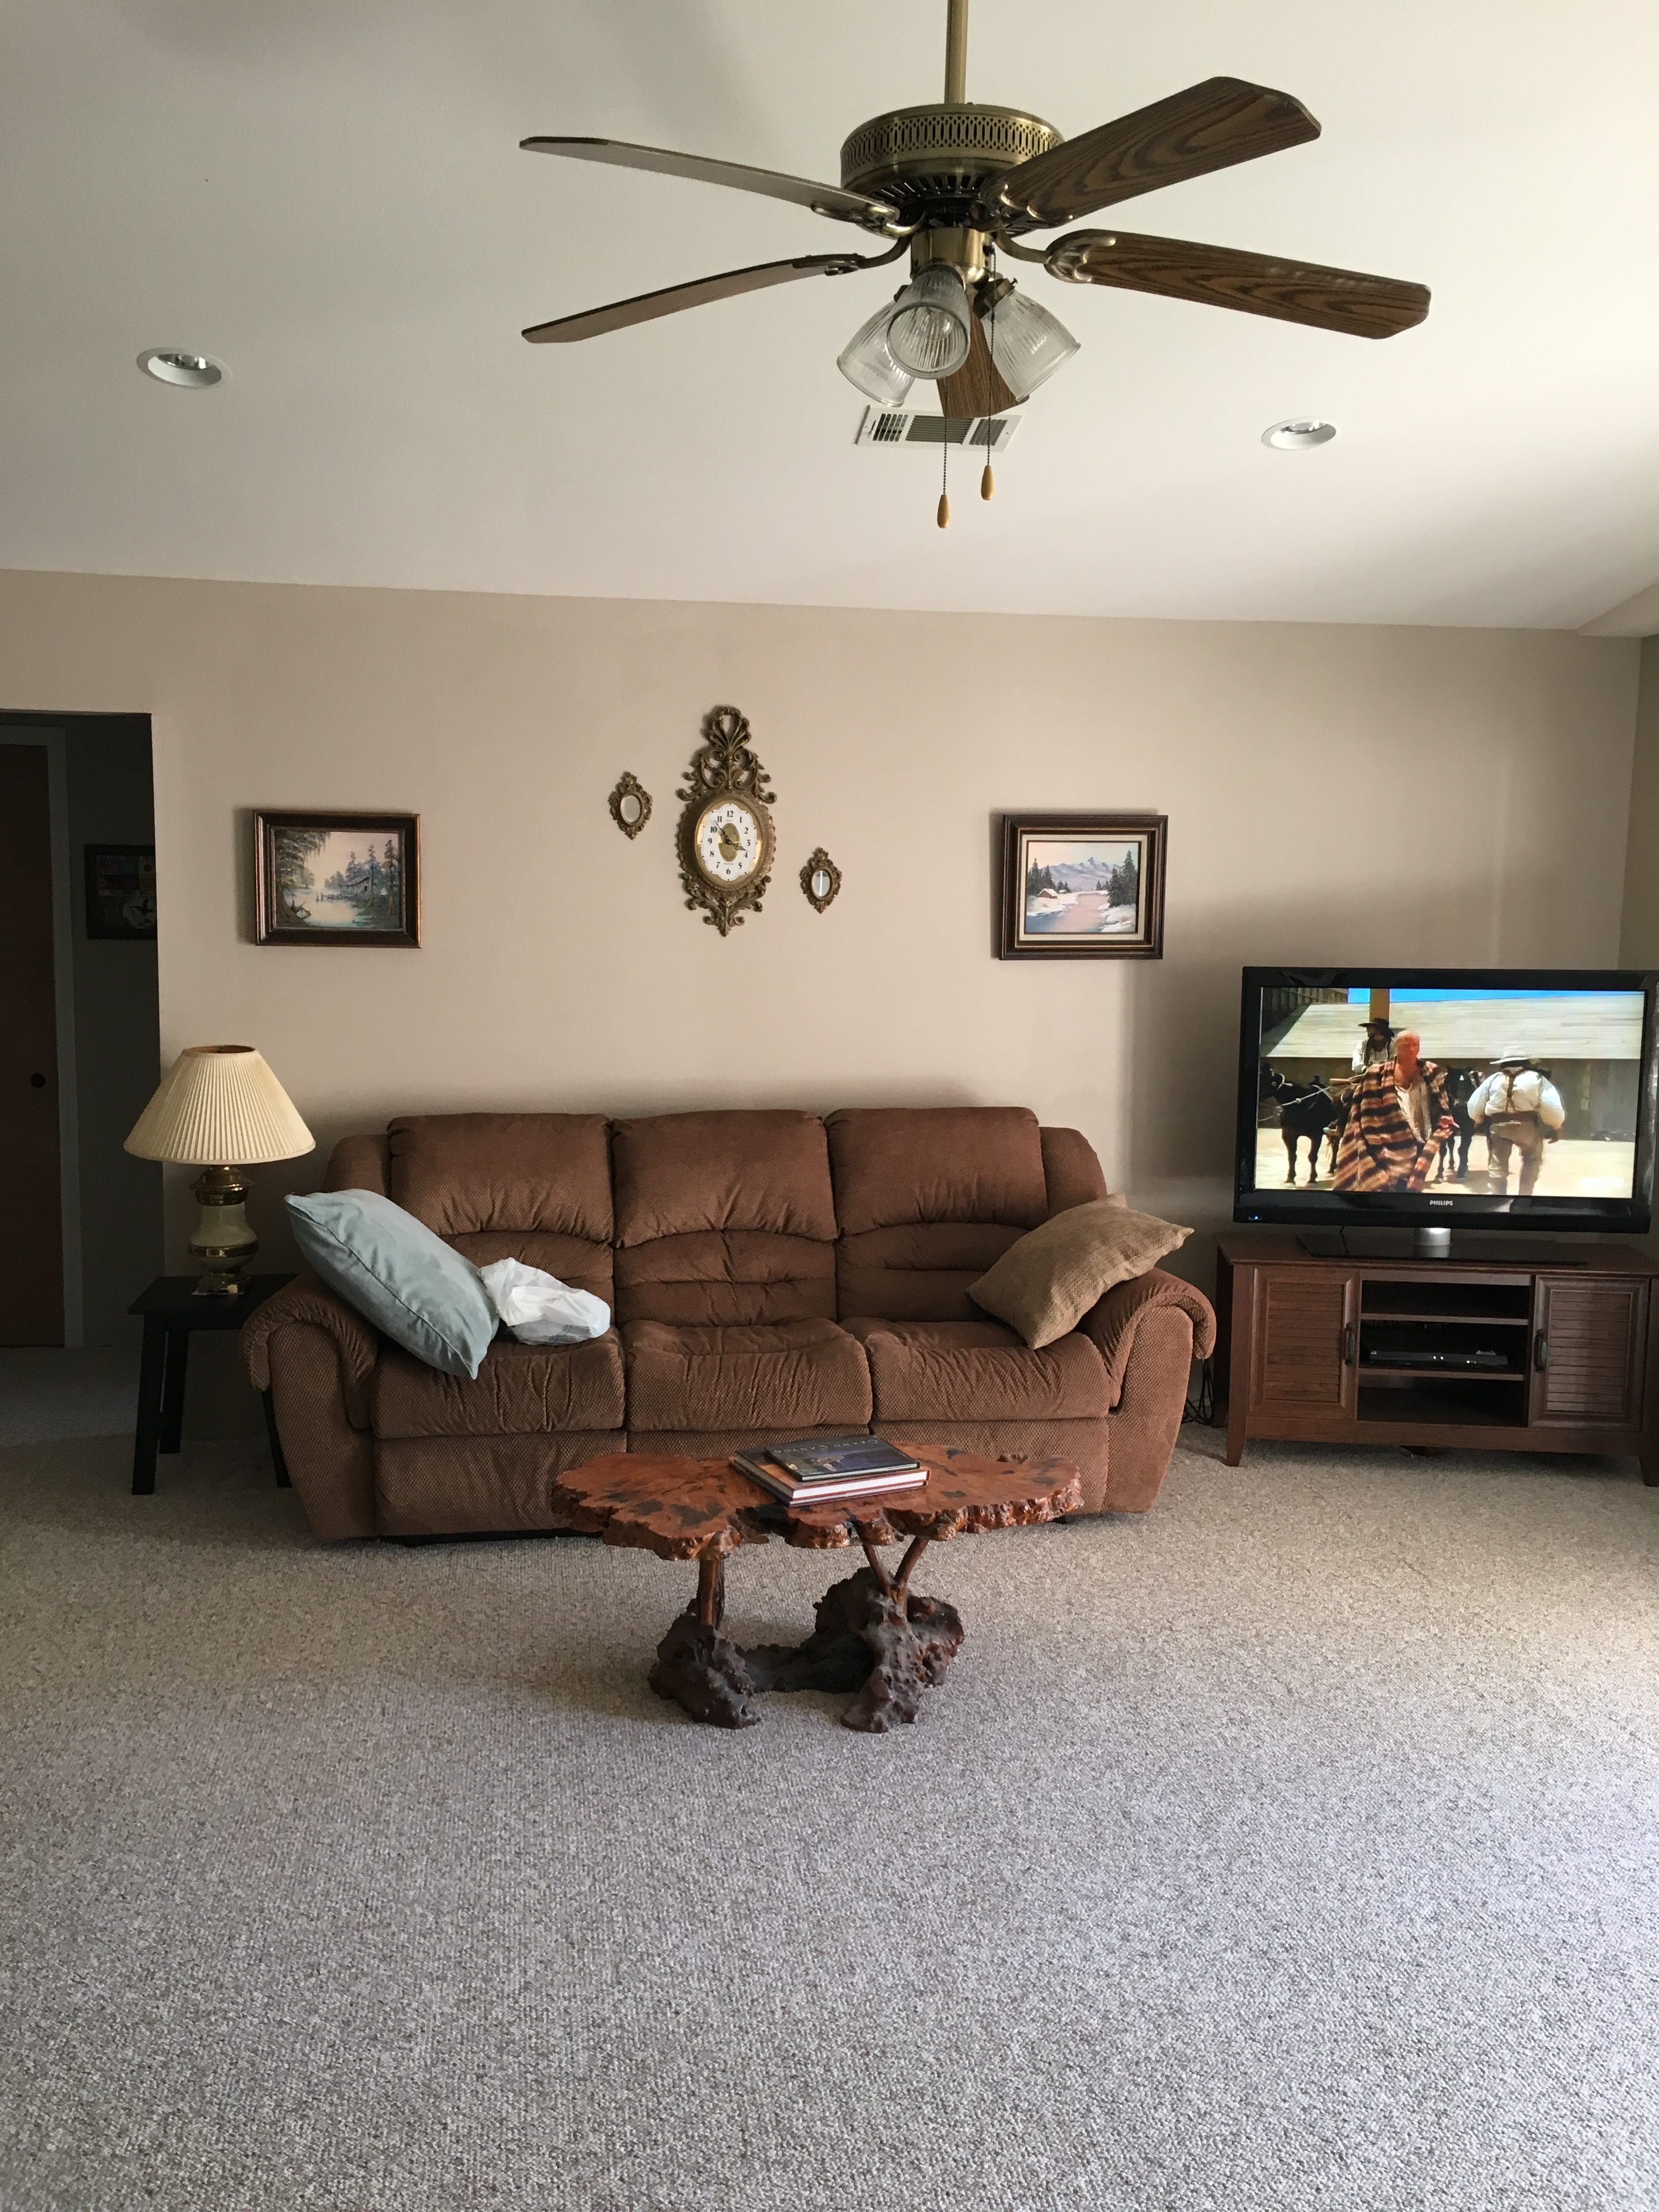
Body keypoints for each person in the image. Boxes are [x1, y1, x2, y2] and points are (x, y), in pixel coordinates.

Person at [1333, 1031, 1454, 1192]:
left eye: (1415, 1045)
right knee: (1345, 1099)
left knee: (1409, 1183)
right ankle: (1337, 1126)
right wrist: (1367, 1069)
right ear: (1397, 1047)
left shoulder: (1431, 1072)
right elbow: (1358, 1066)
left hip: (1419, 1136)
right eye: (1406, 1046)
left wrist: (1444, 1118)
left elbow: (1441, 1101)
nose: (1411, 1049)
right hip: (1375, 1089)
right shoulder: (1365, 1047)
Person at [1467, 1053, 1565, 1197]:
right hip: (1525, 1125)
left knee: (1497, 1166)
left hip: (1498, 1125)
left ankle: (1499, 1199)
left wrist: (1478, 1119)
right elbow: (1551, 1105)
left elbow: (1474, 1104)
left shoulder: (1493, 1080)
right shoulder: (1537, 1079)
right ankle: (1524, 1197)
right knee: (1532, 1159)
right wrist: (1556, 1125)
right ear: (1525, 1063)